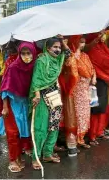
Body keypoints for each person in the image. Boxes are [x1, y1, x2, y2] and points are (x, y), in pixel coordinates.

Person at [29, 37, 71, 169]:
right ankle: (36, 157)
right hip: (42, 97)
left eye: (59, 47)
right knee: (41, 128)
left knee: (54, 126)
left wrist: (62, 41)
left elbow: (68, 53)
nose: (58, 50)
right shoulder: (41, 60)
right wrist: (36, 95)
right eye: (55, 47)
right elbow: (36, 78)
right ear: (48, 48)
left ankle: (47, 154)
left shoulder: (58, 60)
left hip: (55, 96)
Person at [0, 42, 36, 173]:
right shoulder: (13, 68)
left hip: (26, 104)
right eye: (23, 53)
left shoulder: (33, 67)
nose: (26, 56)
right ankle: (13, 160)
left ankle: (19, 157)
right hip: (12, 104)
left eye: (28, 53)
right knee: (13, 133)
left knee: (23, 133)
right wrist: (5, 107)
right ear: (19, 54)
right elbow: (5, 89)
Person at [85, 32, 109, 145]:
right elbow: (97, 64)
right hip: (96, 82)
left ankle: (99, 131)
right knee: (95, 108)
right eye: (100, 35)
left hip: (105, 81)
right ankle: (92, 135)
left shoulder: (103, 47)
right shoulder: (91, 50)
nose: (103, 37)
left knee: (102, 107)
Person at [68, 36, 96, 148]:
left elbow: (92, 69)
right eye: (80, 42)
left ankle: (82, 137)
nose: (83, 44)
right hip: (78, 88)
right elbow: (75, 71)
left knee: (86, 113)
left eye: (84, 42)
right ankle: (78, 139)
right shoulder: (73, 57)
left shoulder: (85, 56)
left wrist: (94, 77)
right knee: (79, 113)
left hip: (88, 87)